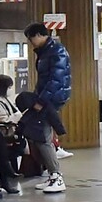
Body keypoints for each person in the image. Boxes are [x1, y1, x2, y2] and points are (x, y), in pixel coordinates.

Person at [25, 22, 76, 160]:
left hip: (53, 96)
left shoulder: (56, 51)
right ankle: (53, 156)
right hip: (49, 96)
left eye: (30, 38)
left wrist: (41, 100)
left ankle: (54, 168)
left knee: (43, 134)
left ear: (38, 35)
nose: (30, 42)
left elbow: (55, 79)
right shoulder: (46, 51)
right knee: (43, 130)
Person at [14, 90, 67, 192]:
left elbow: (49, 89)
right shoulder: (40, 102)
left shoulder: (41, 102)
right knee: (43, 143)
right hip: (42, 107)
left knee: (45, 144)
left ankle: (56, 176)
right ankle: (53, 176)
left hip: (42, 108)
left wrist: (39, 101)